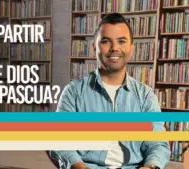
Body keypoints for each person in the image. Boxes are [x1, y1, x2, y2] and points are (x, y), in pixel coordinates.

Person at [49, 13, 171, 169]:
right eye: (106, 41)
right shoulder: (73, 92)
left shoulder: (146, 96)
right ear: (95, 47)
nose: (115, 48)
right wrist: (79, 167)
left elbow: (158, 144)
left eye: (121, 41)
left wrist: (150, 167)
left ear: (131, 49)